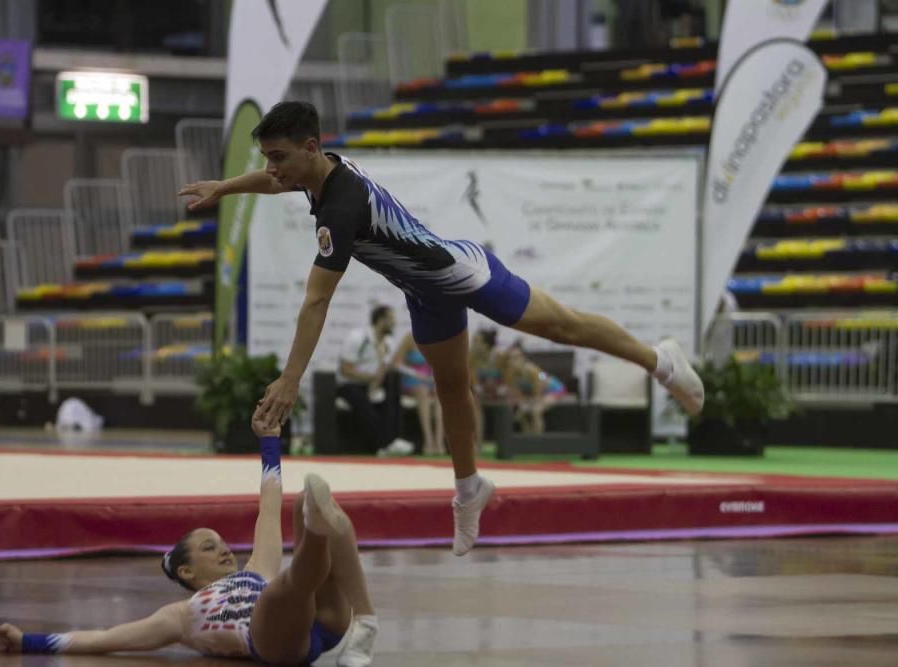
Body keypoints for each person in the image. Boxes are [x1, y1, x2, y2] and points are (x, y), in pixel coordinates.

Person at [179, 100, 704, 556]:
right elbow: (273, 184)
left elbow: (316, 301)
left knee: (562, 327)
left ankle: (660, 361)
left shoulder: (341, 205)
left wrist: (290, 379)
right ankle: (469, 488)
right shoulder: (317, 174)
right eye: (267, 158)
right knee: (452, 389)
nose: (271, 171)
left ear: (312, 147)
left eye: (279, 158)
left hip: (464, 273)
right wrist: (225, 187)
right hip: (426, 292)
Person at [0, 411, 379, 667]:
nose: (225, 548)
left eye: (222, 542)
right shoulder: (180, 616)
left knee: (298, 503)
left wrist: (270, 440)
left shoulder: (253, 569)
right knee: (287, 587)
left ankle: (360, 616)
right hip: (275, 640)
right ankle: (316, 528)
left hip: (326, 622)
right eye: (210, 547)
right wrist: (29, 641)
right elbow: (106, 638)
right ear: (187, 570)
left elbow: (267, 502)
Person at [338, 304, 413, 457]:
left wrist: (374, 387)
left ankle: (392, 441)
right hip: (350, 384)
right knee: (361, 400)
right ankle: (386, 444)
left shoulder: (389, 343)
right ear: (381, 320)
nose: (394, 323)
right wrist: (369, 379)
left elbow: (383, 369)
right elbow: (345, 369)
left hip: (371, 383)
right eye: (391, 319)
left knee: (391, 394)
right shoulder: (358, 338)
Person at [390, 332, 444, 455]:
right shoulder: (409, 338)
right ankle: (428, 441)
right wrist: (416, 374)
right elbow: (396, 363)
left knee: (440, 393)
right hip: (412, 379)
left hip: (431, 379)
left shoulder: (439, 336)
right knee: (422, 391)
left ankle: (439, 441)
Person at [500, 343, 567, 435]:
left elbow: (539, 390)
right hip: (534, 393)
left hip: (554, 390)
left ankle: (537, 441)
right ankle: (527, 439)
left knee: (536, 411)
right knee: (521, 412)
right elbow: (517, 393)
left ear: (522, 358)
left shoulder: (531, 370)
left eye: (516, 358)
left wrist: (529, 403)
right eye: (510, 358)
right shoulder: (510, 374)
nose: (512, 361)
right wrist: (523, 403)